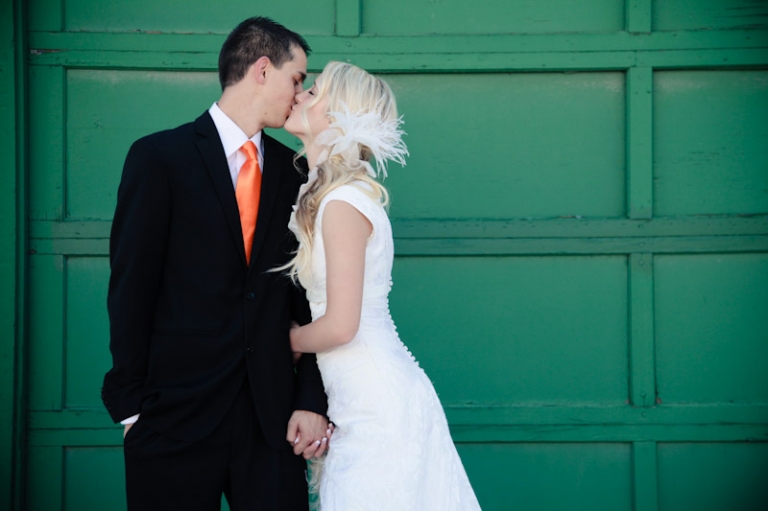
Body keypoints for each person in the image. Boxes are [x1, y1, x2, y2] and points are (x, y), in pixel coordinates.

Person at [102, 17, 330, 510]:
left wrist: (310, 399)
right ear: (263, 69)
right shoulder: (159, 158)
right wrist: (131, 411)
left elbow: (308, 298)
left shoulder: (295, 174)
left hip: (271, 421)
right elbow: (130, 288)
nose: (301, 92)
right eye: (297, 78)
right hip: (173, 418)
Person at [282, 61, 482, 510]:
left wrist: (288, 339)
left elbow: (340, 326)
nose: (300, 95)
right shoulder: (333, 197)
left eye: (314, 94)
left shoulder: (342, 203)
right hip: (358, 404)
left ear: (336, 120)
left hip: (380, 408)